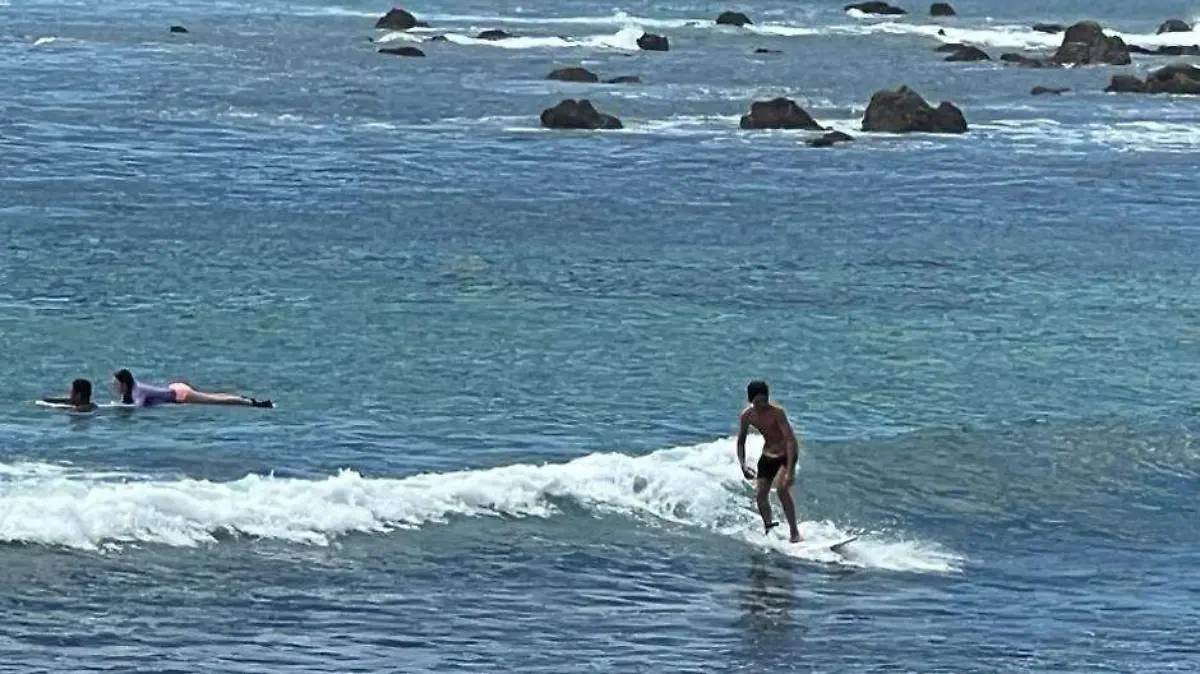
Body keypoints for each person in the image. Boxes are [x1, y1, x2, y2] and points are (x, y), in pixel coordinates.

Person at [736, 380, 801, 543]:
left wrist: (791, 472)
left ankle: (795, 533)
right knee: (760, 495)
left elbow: (791, 441)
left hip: (786, 453)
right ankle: (769, 529)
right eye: (757, 402)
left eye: (764, 400)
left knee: (782, 490)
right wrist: (743, 465)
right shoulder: (747, 416)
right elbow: (741, 442)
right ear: (751, 400)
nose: (761, 405)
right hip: (768, 455)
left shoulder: (777, 413)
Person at [113, 369, 273, 408]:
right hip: (174, 390)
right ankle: (244, 399)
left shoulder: (137, 391)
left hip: (180, 394)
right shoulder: (133, 388)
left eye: (116, 383)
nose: (114, 386)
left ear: (124, 383)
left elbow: (137, 407)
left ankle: (252, 403)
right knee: (213, 397)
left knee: (214, 401)